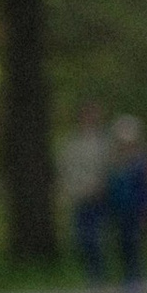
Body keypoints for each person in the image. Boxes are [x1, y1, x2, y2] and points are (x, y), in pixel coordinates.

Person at [102, 117, 147, 288]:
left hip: (136, 210)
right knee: (121, 245)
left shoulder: (142, 161)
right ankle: (125, 278)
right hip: (118, 210)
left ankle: (135, 279)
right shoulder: (113, 162)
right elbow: (109, 188)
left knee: (134, 243)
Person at [59, 105, 111, 283]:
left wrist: (100, 186)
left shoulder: (103, 143)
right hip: (79, 197)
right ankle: (92, 274)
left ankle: (100, 274)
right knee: (83, 238)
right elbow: (66, 170)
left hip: (99, 198)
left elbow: (109, 169)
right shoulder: (72, 143)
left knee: (96, 236)